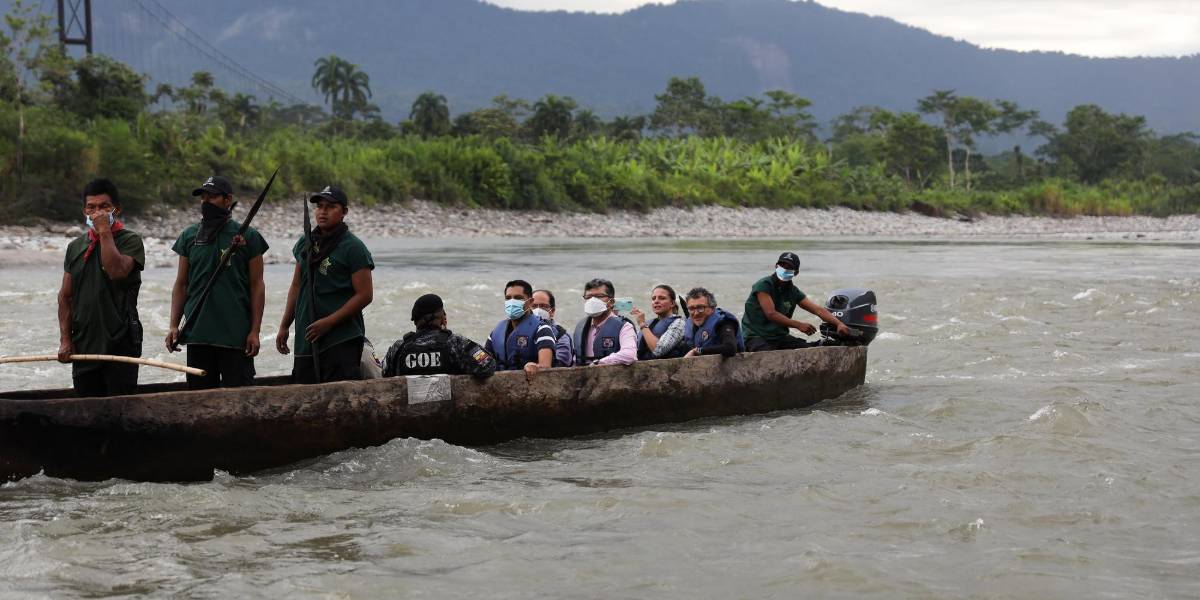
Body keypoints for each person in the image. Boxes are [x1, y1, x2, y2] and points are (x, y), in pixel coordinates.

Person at [165, 176, 268, 389]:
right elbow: (181, 284)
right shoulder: (189, 236)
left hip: (235, 336)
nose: (205, 202)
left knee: (240, 397)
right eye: (203, 197)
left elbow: (257, 285)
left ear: (227, 200)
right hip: (197, 334)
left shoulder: (248, 236)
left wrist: (255, 331)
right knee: (199, 398)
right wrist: (174, 325)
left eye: (212, 197)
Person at [276, 185, 375, 383]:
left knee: (341, 401)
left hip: (341, 339)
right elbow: (297, 286)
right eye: (320, 206)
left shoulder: (353, 247)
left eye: (330, 207)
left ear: (344, 212)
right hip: (308, 336)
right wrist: (285, 325)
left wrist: (329, 322)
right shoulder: (306, 243)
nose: (323, 212)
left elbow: (365, 295)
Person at [56, 179, 146, 397]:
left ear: (117, 209)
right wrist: (66, 339)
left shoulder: (130, 240)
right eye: (91, 207)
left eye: (104, 207)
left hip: (120, 341)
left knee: (121, 409)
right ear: (84, 211)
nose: (97, 213)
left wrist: (105, 231)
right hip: (84, 343)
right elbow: (66, 297)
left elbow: (117, 271)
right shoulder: (75, 247)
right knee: (86, 409)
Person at [741, 251, 850, 352]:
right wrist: (798, 325)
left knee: (810, 349)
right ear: (776, 266)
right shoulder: (764, 285)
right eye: (782, 265)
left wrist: (839, 324)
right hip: (756, 337)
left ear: (796, 272)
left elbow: (817, 310)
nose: (784, 269)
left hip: (779, 337)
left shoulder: (793, 291)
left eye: (789, 267)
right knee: (769, 354)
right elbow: (771, 314)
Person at [382, 294, 496, 378]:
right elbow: (488, 365)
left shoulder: (399, 347)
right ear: (442, 318)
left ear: (415, 321)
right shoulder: (456, 343)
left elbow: (382, 373)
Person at [484, 280, 555, 375]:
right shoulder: (496, 332)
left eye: (518, 298)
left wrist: (535, 366)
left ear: (530, 302)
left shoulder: (542, 330)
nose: (512, 302)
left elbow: (545, 366)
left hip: (529, 385)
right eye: (508, 298)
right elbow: (483, 361)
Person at [572, 278, 638, 366]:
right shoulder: (580, 327)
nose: (593, 301)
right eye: (588, 297)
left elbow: (629, 355)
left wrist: (599, 363)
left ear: (611, 302)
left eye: (599, 296)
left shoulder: (624, 326)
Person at [681, 287, 745, 358]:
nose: (696, 313)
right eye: (691, 308)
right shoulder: (691, 324)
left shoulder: (724, 322)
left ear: (712, 308)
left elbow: (730, 348)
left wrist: (698, 351)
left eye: (700, 308)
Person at [631, 284, 688, 360]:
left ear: (672, 303)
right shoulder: (650, 323)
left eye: (662, 298)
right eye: (653, 298)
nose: (656, 301)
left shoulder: (679, 323)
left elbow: (659, 350)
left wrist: (642, 324)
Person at [532, 289, 575, 367]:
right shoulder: (521, 331)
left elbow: (561, 363)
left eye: (543, 306)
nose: (537, 310)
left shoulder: (560, 335)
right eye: (533, 306)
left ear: (552, 311)